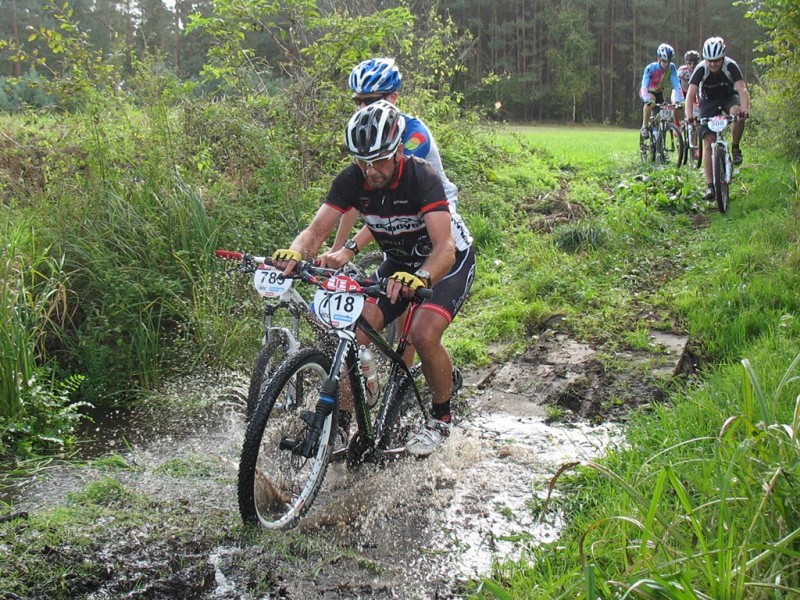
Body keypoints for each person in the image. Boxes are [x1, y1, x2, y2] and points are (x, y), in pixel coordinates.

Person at [272, 101, 475, 457]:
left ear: (398, 151)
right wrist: (295, 252)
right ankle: (343, 425)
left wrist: (421, 277)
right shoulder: (352, 179)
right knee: (352, 332)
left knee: (423, 334)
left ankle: (440, 419)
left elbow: (444, 247)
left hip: (445, 262)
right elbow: (315, 231)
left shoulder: (422, 177)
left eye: (379, 160)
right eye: (362, 161)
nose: (371, 170)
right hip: (397, 261)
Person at [685, 36, 750, 200]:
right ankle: (710, 187)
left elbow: (742, 90)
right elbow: (691, 94)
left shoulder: (731, 66)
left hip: (728, 97)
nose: (713, 64)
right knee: (708, 142)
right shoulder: (701, 68)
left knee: (737, 113)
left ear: (723, 58)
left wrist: (745, 109)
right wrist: (690, 117)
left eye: (717, 60)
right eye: (710, 61)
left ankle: (735, 146)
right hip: (708, 101)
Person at [639, 43, 684, 140]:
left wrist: (680, 100)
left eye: (668, 61)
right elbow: (644, 86)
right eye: (664, 61)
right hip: (648, 92)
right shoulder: (650, 68)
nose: (666, 64)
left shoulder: (671, 68)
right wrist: (646, 99)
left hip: (659, 92)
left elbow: (676, 85)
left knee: (662, 115)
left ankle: (659, 139)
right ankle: (644, 126)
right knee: (651, 101)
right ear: (658, 59)